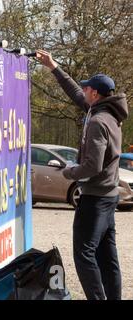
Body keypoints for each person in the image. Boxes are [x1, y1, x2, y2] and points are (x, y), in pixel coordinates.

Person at [36, 49, 128, 300]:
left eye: (88, 88)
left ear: (95, 94)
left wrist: (69, 172)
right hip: (109, 197)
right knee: (107, 257)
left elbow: (93, 166)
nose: (84, 91)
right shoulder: (108, 115)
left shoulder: (98, 121)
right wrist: (54, 67)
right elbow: (75, 92)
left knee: (84, 254)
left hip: (96, 199)